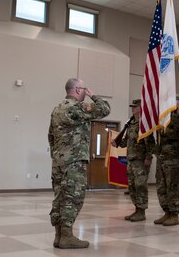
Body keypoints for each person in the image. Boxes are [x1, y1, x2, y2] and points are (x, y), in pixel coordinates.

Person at [48, 78, 110, 249]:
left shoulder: (56, 109)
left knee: (60, 197)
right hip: (74, 161)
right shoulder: (77, 107)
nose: (85, 91)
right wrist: (94, 96)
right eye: (83, 88)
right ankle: (66, 236)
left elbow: (51, 137)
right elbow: (105, 109)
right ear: (77, 90)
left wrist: (58, 154)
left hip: (59, 161)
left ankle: (58, 235)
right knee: (73, 197)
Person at [113, 99, 155, 222]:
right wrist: (117, 142)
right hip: (131, 160)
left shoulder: (144, 124)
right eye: (132, 107)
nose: (133, 109)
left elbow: (150, 143)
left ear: (141, 108)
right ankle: (136, 209)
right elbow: (126, 141)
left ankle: (142, 212)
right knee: (132, 186)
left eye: (135, 107)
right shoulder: (131, 124)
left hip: (140, 160)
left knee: (140, 185)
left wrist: (148, 157)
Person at [153, 97, 179, 226]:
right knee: (161, 186)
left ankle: (174, 214)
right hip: (162, 157)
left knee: (172, 186)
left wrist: (164, 127)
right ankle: (166, 211)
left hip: (173, 157)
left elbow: (176, 134)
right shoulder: (164, 117)